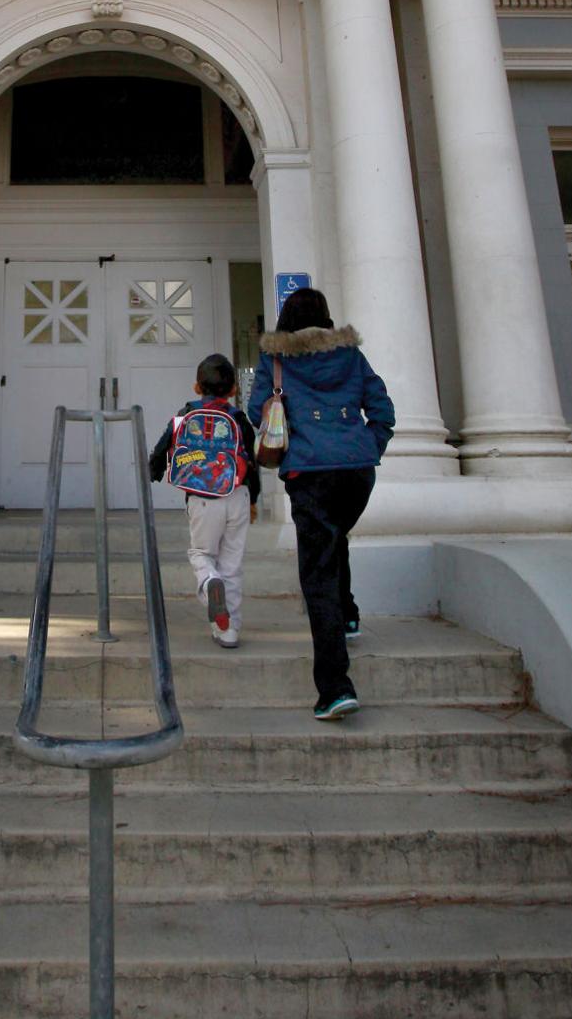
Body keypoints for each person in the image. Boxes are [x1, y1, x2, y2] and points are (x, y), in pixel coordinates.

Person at [247, 288, 394, 721]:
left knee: (318, 574)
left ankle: (334, 687)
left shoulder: (276, 360)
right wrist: (369, 445)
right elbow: (382, 407)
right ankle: (348, 615)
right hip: (356, 471)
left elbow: (259, 411)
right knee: (334, 537)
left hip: (309, 471)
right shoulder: (350, 356)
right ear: (326, 318)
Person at [150, 353, 260, 649]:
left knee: (202, 554)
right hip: (237, 495)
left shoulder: (184, 415)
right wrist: (253, 499)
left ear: (197, 387)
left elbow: (160, 451)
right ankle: (230, 630)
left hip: (201, 499)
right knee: (232, 565)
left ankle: (210, 581)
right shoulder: (239, 419)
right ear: (235, 390)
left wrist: (154, 472)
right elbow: (252, 461)